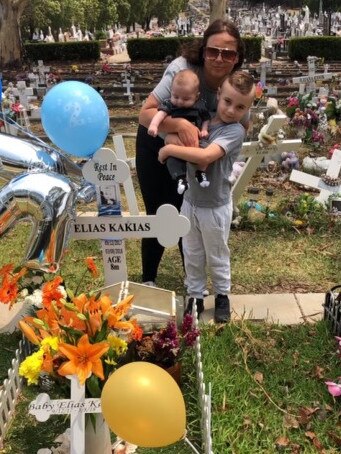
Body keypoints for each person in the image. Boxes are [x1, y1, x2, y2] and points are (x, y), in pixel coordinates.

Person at [135, 19, 246, 287]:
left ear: (237, 57)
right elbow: (144, 113)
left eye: (228, 53)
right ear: (202, 49)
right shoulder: (182, 70)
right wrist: (179, 125)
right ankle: (149, 277)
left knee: (188, 211)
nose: (219, 59)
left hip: (194, 152)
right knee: (158, 210)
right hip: (156, 143)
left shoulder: (233, 84)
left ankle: (192, 278)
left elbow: (243, 118)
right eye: (213, 51)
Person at [158, 71, 255, 323]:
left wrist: (168, 149)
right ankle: (195, 295)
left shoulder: (234, 131)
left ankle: (222, 294)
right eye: (227, 102)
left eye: (240, 106)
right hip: (190, 202)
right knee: (192, 253)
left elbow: (204, 157)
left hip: (215, 206)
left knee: (217, 253)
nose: (232, 110)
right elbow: (170, 130)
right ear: (219, 96)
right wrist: (170, 136)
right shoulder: (202, 122)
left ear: (248, 108)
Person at [148, 69, 211, 194]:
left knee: (206, 152)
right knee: (172, 159)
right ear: (171, 92)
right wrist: (154, 126)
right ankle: (181, 179)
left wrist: (204, 129)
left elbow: (206, 118)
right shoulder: (170, 105)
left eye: (186, 99)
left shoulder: (199, 105)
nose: (180, 101)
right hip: (176, 140)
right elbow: (160, 114)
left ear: (196, 96)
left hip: (195, 141)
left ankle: (201, 172)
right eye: (175, 96)